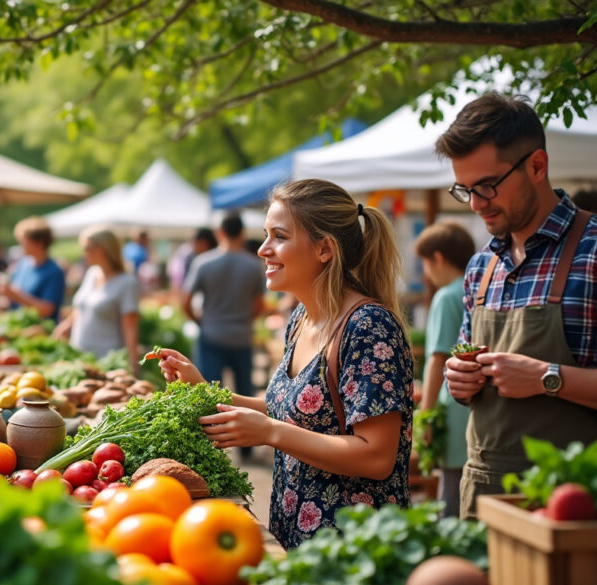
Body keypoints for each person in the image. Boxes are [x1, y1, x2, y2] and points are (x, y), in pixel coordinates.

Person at [160, 179, 413, 549]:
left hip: (355, 549)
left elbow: (376, 456)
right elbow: (294, 409)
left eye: (279, 236)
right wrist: (204, 390)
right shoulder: (301, 318)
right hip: (299, 539)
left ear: (325, 249)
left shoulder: (368, 327)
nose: (263, 250)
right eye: (265, 235)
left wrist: (269, 432)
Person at [438, 93, 597, 519]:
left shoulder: (594, 251)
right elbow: (465, 373)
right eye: (465, 190)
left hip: (575, 508)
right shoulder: (479, 267)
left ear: (537, 166)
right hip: (484, 497)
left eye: (487, 186)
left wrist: (548, 377)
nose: (475, 204)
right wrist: (460, 380)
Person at [413, 221, 476, 517]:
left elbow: (437, 359)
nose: (426, 273)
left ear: (437, 258)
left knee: (450, 494)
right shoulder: (477, 289)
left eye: (425, 264)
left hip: (452, 408)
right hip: (476, 407)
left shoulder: (446, 296)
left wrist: (425, 416)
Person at [183, 213, 265, 401]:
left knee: (209, 396)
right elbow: (260, 305)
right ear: (242, 233)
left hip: (212, 334)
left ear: (219, 232)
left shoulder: (203, 263)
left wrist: (200, 321)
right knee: (245, 395)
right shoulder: (253, 265)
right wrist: (245, 319)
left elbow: (185, 301)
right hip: (242, 336)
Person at [53, 226, 141, 368]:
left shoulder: (127, 283)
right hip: (79, 359)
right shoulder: (92, 274)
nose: (84, 253)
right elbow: (82, 307)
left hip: (106, 363)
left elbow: (130, 329)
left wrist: (133, 367)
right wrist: (66, 325)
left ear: (102, 249)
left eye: (87, 248)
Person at [0, 216, 65, 320]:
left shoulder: (54, 271)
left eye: (24, 241)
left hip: (41, 331)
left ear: (38, 243)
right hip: (20, 326)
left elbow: (47, 309)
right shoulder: (23, 265)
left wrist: (15, 295)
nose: (21, 245)